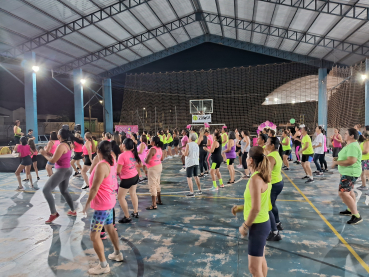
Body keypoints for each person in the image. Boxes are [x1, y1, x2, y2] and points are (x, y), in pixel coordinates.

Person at [83, 141, 123, 275]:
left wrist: (87, 203)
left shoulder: (102, 166)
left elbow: (94, 188)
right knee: (110, 227)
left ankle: (103, 265)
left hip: (102, 206)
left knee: (94, 236)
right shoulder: (112, 162)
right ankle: (117, 253)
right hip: (109, 202)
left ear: (98, 151)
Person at [231, 146, 272, 277]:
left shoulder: (255, 179)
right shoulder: (263, 176)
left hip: (257, 225)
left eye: (248, 156)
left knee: (254, 268)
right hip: (263, 223)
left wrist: (245, 225)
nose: (246, 159)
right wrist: (241, 207)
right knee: (260, 261)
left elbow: (256, 208)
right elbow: (258, 201)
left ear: (251, 161)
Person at [40, 128, 77, 224]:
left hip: (62, 171)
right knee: (64, 191)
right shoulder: (69, 144)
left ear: (59, 136)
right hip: (68, 169)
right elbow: (60, 156)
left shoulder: (61, 145)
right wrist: (51, 154)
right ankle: (73, 211)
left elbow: (52, 161)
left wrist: (44, 154)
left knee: (46, 190)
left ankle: (53, 213)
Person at [332, 128, 363, 224]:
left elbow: (351, 161)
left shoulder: (353, 146)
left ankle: (356, 215)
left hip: (350, 173)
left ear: (352, 136)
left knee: (343, 193)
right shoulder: (349, 145)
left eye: (346, 133)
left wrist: (336, 162)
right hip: (348, 172)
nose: (344, 135)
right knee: (349, 192)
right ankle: (350, 210)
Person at [117, 138, 140, 223]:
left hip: (127, 179)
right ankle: (135, 212)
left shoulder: (122, 156)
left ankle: (127, 217)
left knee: (120, 197)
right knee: (133, 193)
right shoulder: (133, 153)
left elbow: (118, 171)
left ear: (123, 145)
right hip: (135, 176)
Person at [265, 137, 284, 241]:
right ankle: (277, 223)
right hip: (278, 182)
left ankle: (274, 232)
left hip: (273, 184)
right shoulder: (275, 154)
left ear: (272, 145)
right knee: (272, 205)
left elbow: (267, 173)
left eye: (267, 143)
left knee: (268, 207)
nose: (265, 145)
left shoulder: (271, 157)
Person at [145, 136, 164, 210]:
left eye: (151, 140)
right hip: (159, 166)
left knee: (152, 185)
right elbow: (161, 158)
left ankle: (154, 204)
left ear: (153, 142)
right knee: (157, 183)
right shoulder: (159, 149)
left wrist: (144, 159)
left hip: (153, 168)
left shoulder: (152, 149)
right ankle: (159, 200)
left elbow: (147, 161)